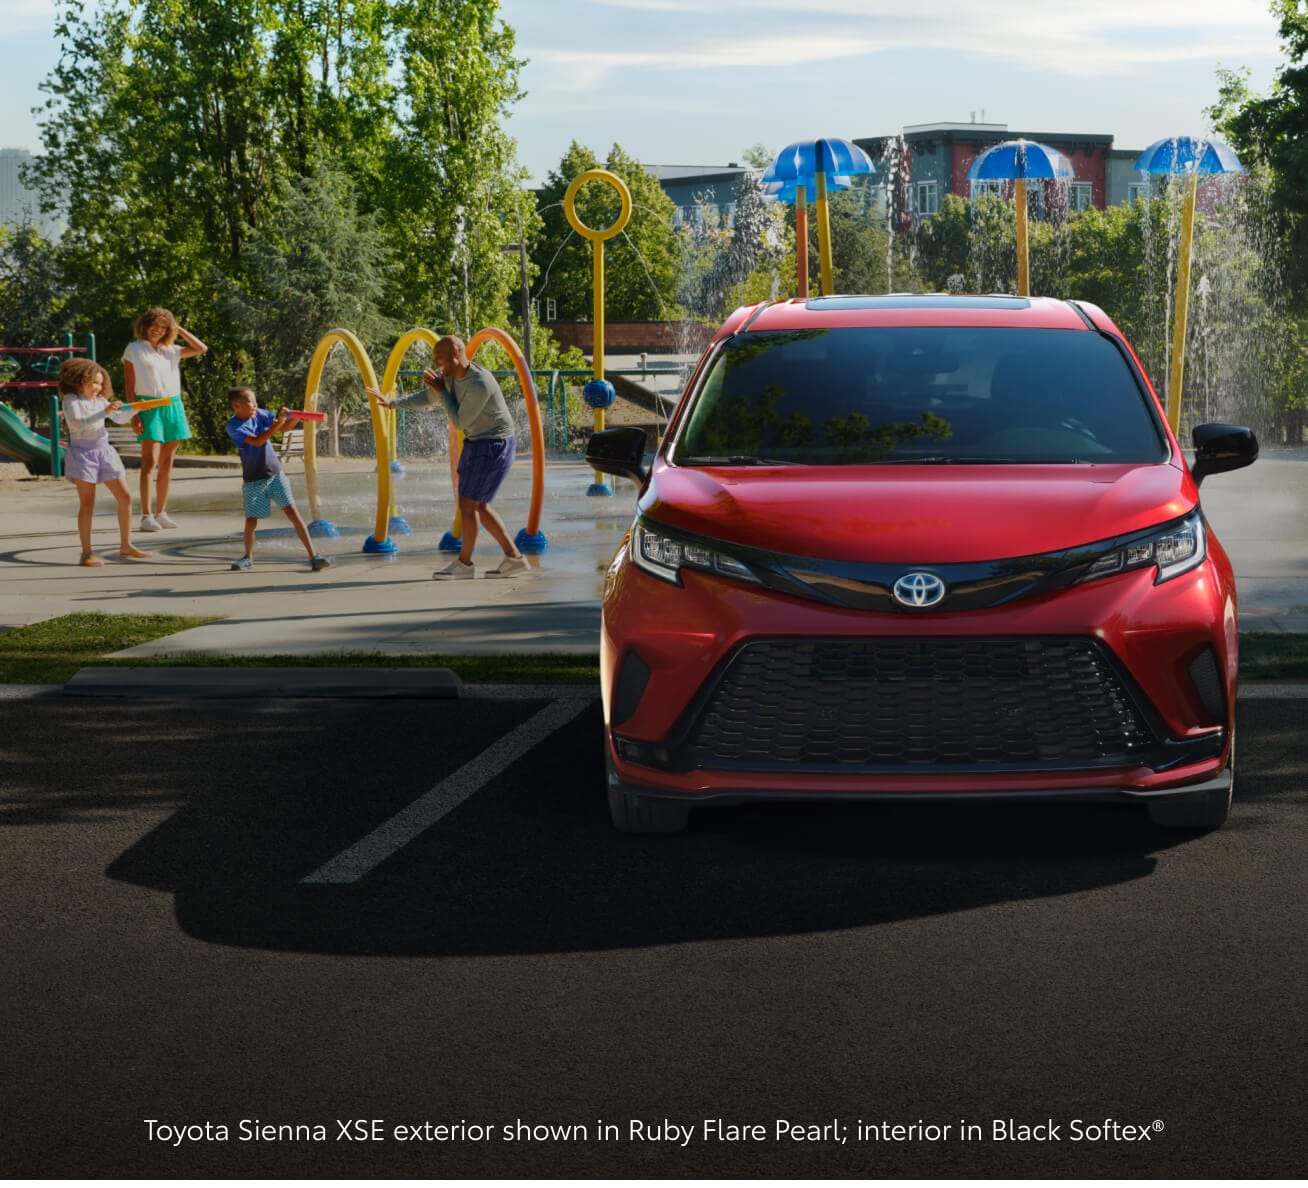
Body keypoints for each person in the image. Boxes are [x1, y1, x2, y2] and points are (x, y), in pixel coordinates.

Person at [367, 335, 527, 580]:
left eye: (440, 357)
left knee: (469, 505)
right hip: (477, 443)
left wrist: (442, 391)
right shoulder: (450, 377)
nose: (436, 363)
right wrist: (392, 403)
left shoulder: (479, 383)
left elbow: (460, 421)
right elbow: (429, 397)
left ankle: (465, 564)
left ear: (455, 353)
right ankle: (513, 558)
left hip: (494, 444)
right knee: (478, 506)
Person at [224, 387, 330, 573]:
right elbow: (258, 441)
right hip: (254, 480)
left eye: (255, 401)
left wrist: (296, 417)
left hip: (275, 474)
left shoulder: (259, 413)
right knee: (251, 520)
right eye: (251, 402)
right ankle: (248, 557)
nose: (255, 405)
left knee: (292, 511)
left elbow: (284, 428)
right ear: (237, 406)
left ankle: (314, 556)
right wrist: (279, 422)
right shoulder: (233, 426)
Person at [57, 357, 151, 567]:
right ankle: (86, 553)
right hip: (82, 454)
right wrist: (105, 412)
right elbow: (79, 424)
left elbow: (119, 418)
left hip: (104, 451)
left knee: (125, 497)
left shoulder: (99, 401)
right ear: (79, 380)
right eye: (93, 383)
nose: (98, 388)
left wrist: (136, 408)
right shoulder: (72, 400)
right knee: (87, 504)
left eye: (100, 383)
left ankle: (126, 545)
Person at [122, 308, 207, 532]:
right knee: (149, 461)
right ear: (145, 325)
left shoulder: (172, 350)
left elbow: (201, 348)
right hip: (148, 406)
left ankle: (161, 513)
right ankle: (146, 516)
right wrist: (134, 414)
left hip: (173, 406)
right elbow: (129, 384)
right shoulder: (134, 349)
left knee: (167, 463)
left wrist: (179, 330)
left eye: (163, 327)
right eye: (154, 325)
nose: (157, 330)